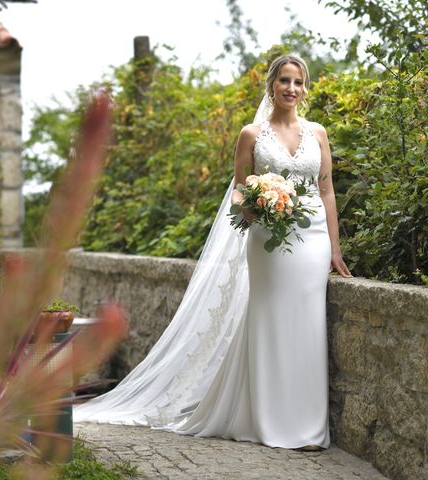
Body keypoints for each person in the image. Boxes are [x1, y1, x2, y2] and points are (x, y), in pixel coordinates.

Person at [73, 54, 353, 451]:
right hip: (269, 242)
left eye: (299, 82)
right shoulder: (252, 135)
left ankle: (306, 426)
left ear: (305, 88)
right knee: (270, 322)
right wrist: (262, 206)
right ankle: (269, 420)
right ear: (272, 84)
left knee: (307, 327)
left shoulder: (318, 133)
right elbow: (239, 193)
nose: (292, 89)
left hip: (312, 241)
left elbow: (326, 190)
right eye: (285, 80)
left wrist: (335, 249)